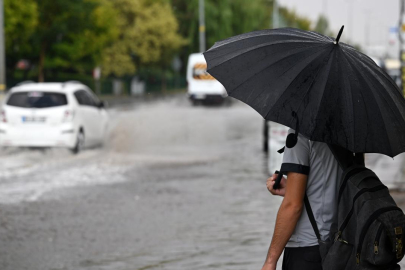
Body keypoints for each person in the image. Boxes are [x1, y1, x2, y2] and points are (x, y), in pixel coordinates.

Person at [261, 129, 342, 270]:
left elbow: (293, 206)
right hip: (340, 245)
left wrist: (270, 261)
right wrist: (291, 189)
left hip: (306, 249)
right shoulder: (346, 133)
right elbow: (333, 187)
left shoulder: (300, 134)